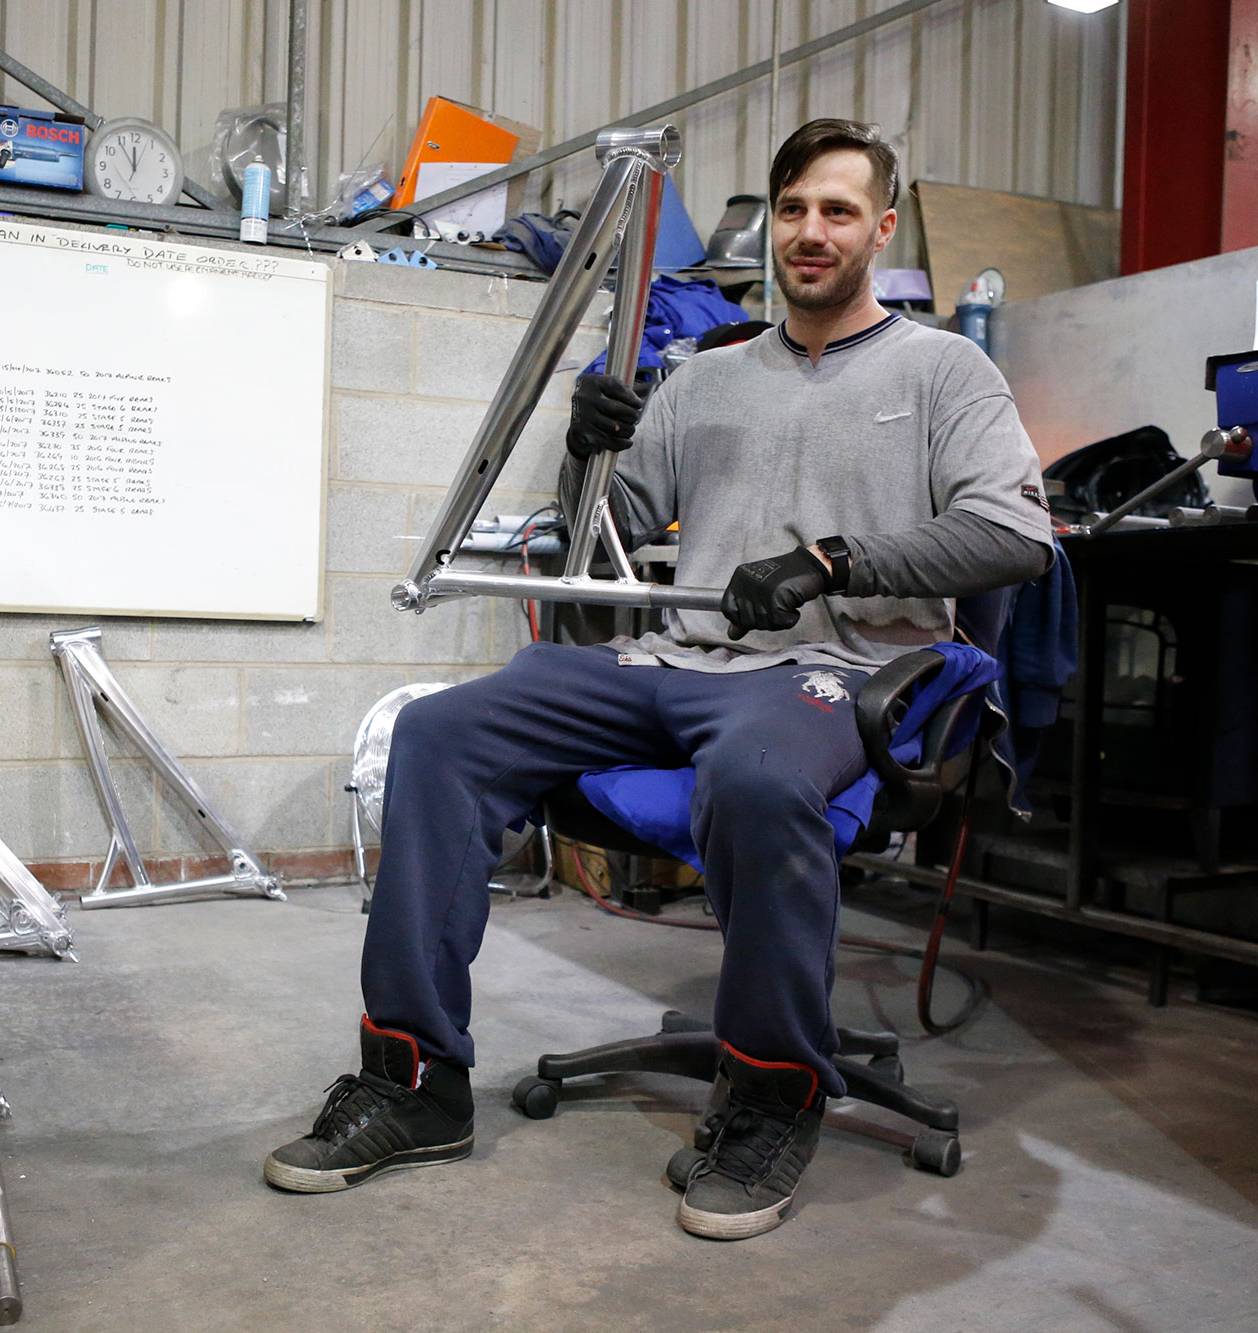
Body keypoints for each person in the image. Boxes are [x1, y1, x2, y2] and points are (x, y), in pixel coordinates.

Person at [264, 118, 1054, 1240]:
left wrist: (833, 562)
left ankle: (772, 1096)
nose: (811, 231)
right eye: (792, 209)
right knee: (440, 733)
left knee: (759, 777)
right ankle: (414, 1083)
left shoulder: (943, 370)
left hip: (833, 669)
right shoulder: (704, 378)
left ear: (881, 229)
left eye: (837, 211)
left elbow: (1013, 535)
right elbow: (607, 539)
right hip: (680, 659)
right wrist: (585, 452)